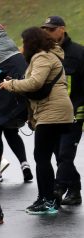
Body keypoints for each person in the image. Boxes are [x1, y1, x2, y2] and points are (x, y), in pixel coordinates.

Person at [0, 27, 74, 215]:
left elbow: (35, 83)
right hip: (58, 112)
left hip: (52, 114)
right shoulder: (50, 56)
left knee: (42, 157)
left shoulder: (41, 57)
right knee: (52, 156)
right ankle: (52, 196)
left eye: (23, 42)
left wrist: (12, 85)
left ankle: (46, 199)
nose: (21, 46)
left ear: (31, 42)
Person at [41, 15, 84, 205]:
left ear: (62, 29)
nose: (47, 33)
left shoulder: (79, 53)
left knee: (66, 154)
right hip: (53, 114)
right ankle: (74, 190)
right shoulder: (46, 54)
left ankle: (57, 189)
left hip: (75, 112)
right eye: (45, 30)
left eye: (51, 29)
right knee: (59, 154)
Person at [0, 20, 33, 183]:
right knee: (12, 132)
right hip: (18, 100)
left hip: (1, 98)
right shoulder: (13, 48)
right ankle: (24, 164)